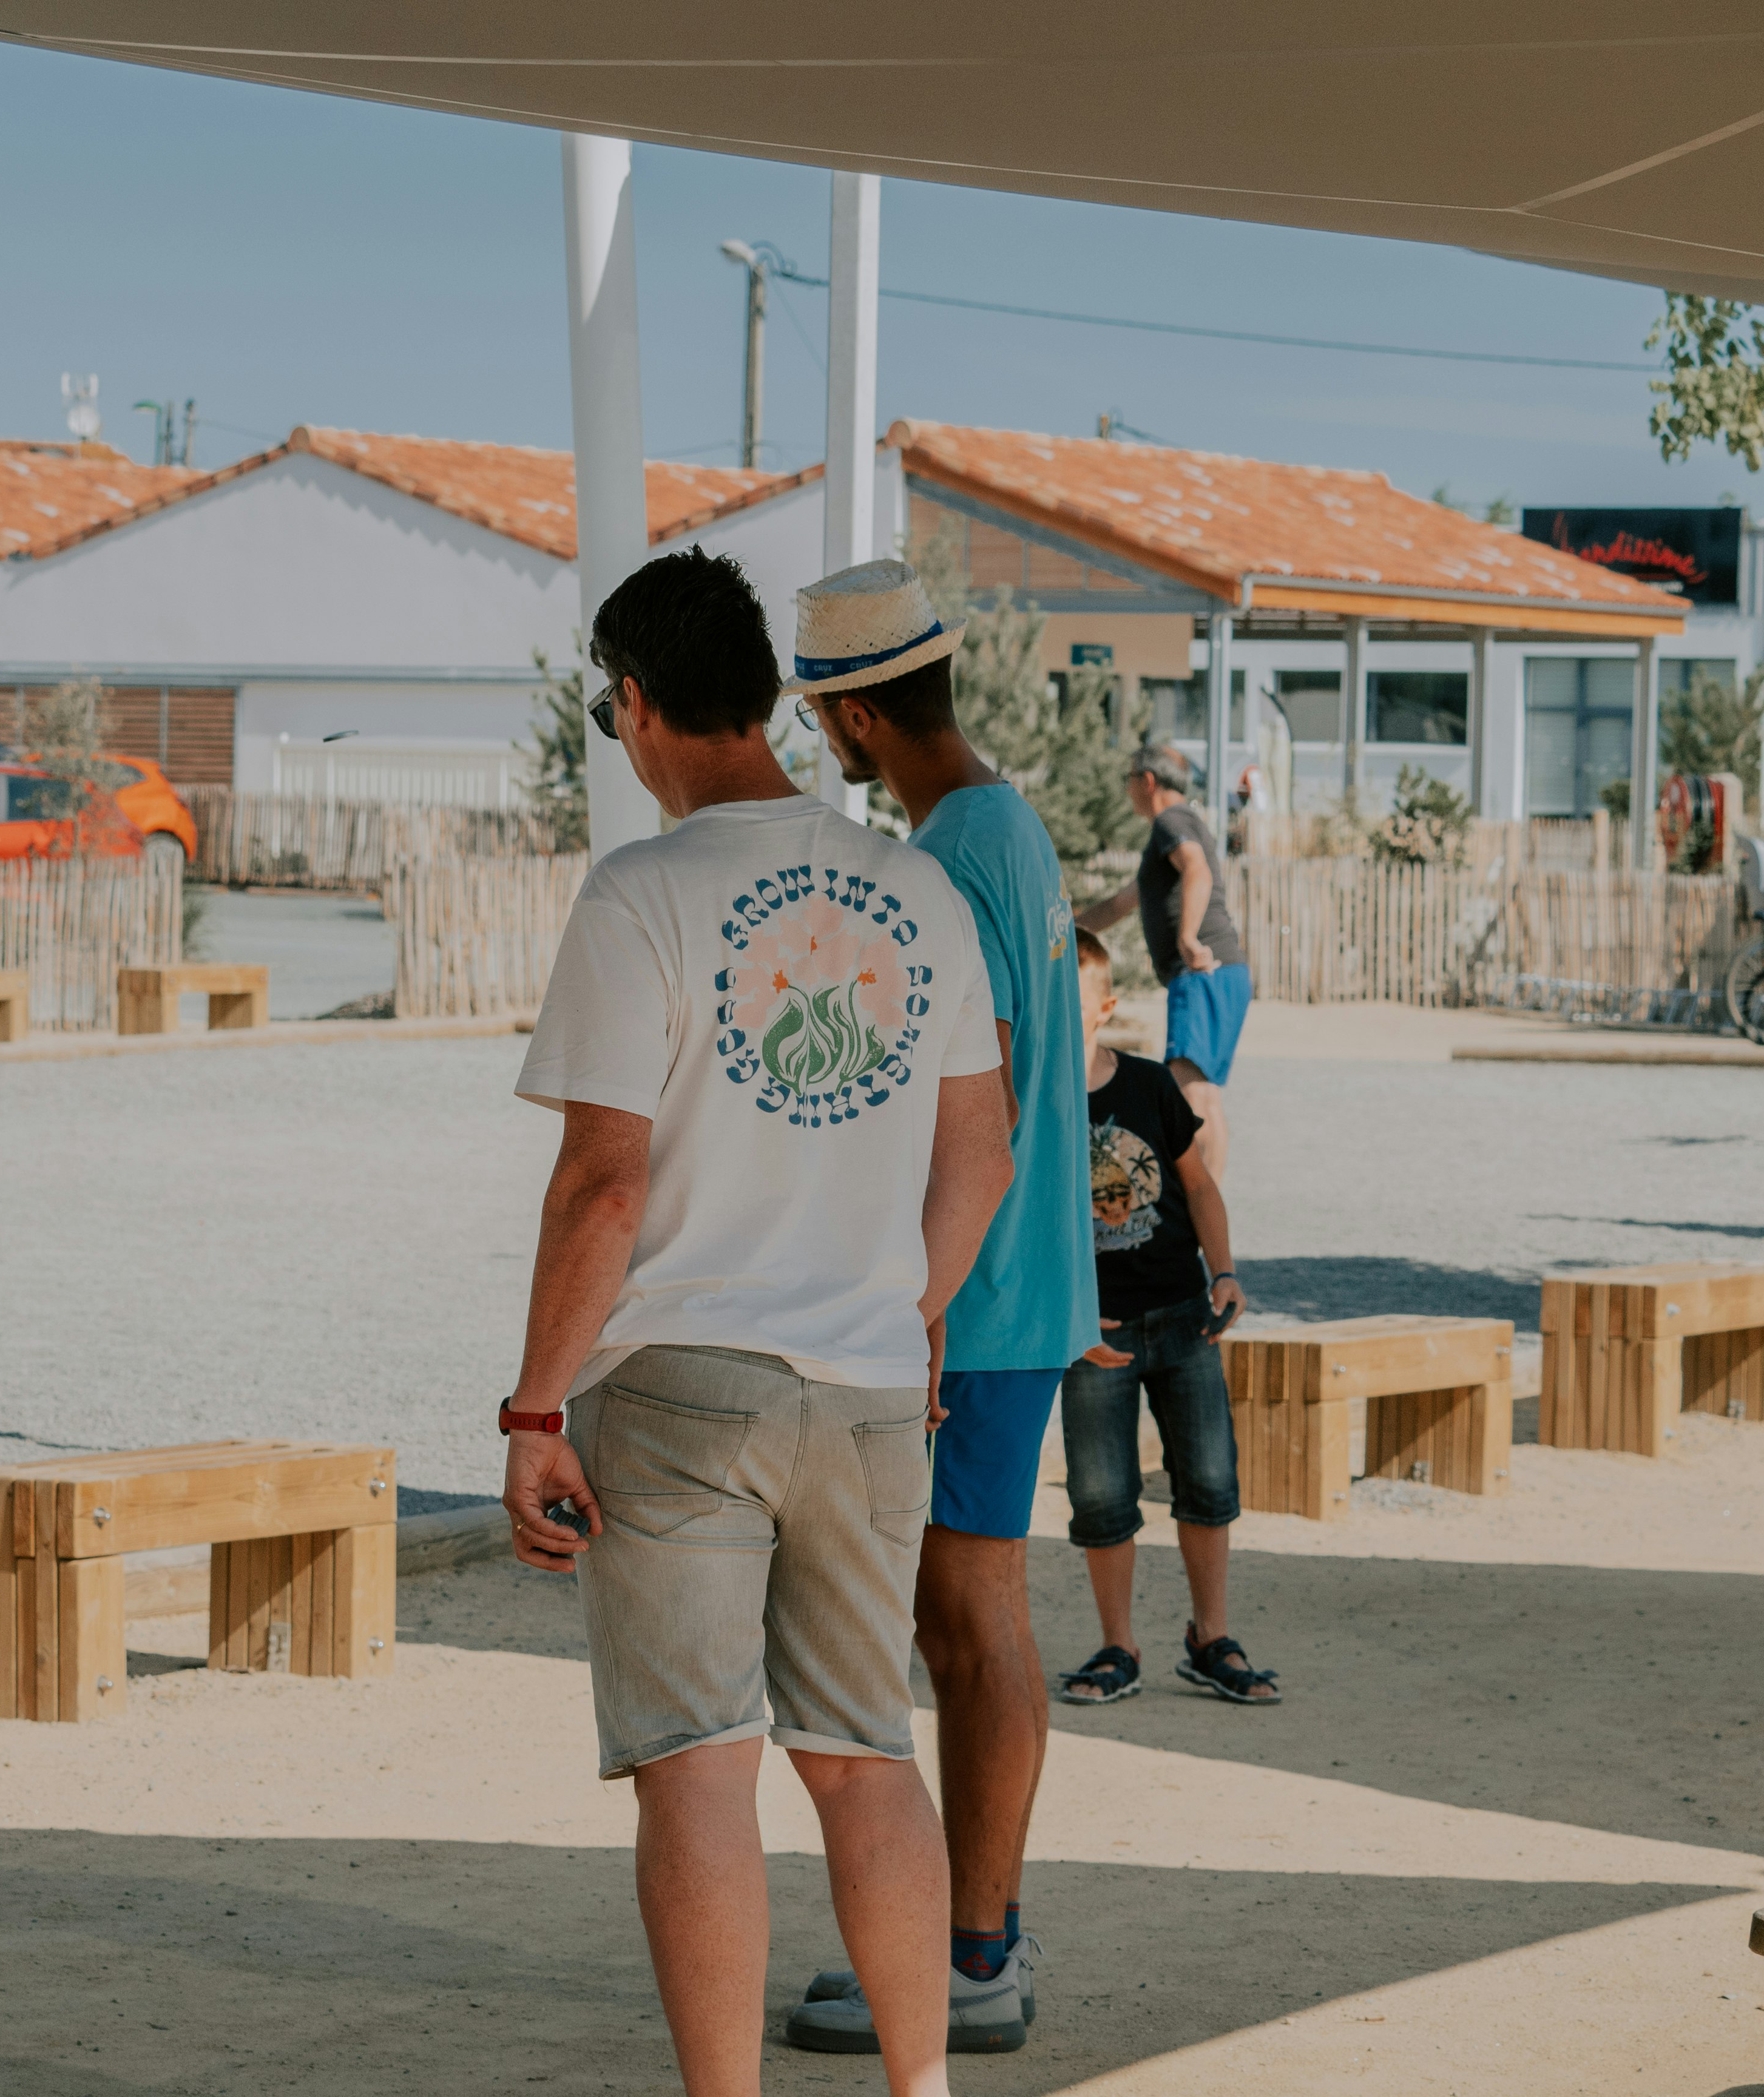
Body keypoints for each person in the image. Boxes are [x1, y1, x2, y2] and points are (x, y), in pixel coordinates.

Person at [501, 546, 1016, 2096]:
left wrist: (533, 1410)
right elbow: (978, 1150)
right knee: (866, 1758)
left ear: (641, 704)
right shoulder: (915, 885)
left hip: (678, 1386)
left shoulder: (640, 892)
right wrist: (902, 1313)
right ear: (773, 700)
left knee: (698, 1770)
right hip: (864, 1387)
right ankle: (919, 2087)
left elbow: (603, 1184)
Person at [785, 559, 1097, 2057]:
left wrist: (903, 1300)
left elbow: (974, 1103)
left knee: (966, 1621)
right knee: (968, 1615)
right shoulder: (999, 824)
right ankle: (968, 1935)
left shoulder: (951, 858)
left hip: (968, 1303)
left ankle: (973, 1949)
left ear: (847, 716)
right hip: (1009, 1290)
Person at [1050, 927, 1275, 1707]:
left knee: (1209, 1482)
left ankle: (1211, 1637)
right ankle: (1119, 1645)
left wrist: (1227, 1273)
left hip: (1184, 1319)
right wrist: (1063, 1319)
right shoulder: (1031, 1104)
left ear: (1105, 1007)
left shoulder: (1149, 1086)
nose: (1055, 1014)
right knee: (1102, 1496)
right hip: (1094, 1336)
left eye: (1071, 1002)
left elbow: (1200, 1186)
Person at [1077, 747, 1248, 1178]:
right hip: (1217, 974)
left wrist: (1188, 936)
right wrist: (1065, 931)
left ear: (1148, 780)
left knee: (1195, 1098)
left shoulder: (1173, 821)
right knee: (1199, 1093)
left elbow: (1198, 870)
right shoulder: (1173, 829)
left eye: (1129, 776)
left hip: (1202, 972)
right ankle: (1202, 1214)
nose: (1127, 786)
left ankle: (1199, 1216)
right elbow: (1122, 903)